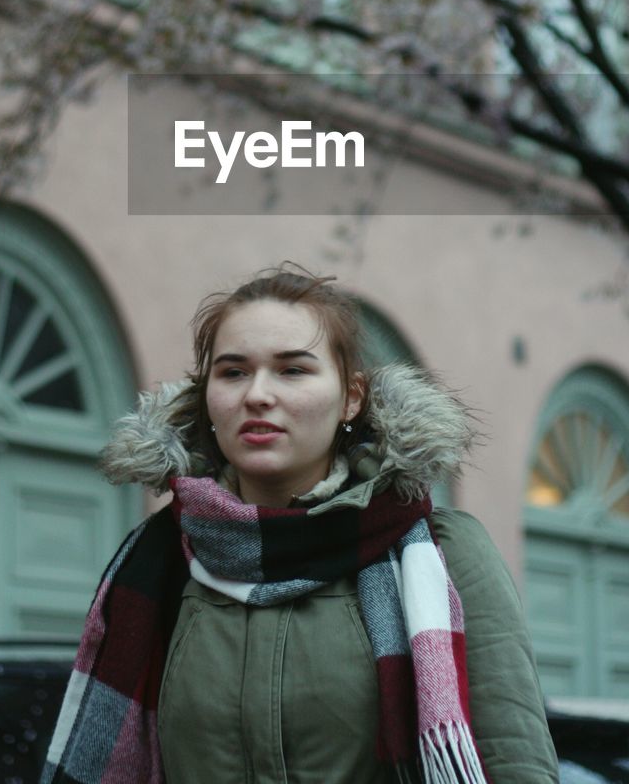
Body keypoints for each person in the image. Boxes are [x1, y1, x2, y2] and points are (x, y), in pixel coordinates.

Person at [41, 266, 558, 784]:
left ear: (351, 397)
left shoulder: (442, 553)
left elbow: (516, 767)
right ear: (208, 397)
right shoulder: (163, 560)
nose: (258, 395)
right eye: (233, 372)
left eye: (292, 370)